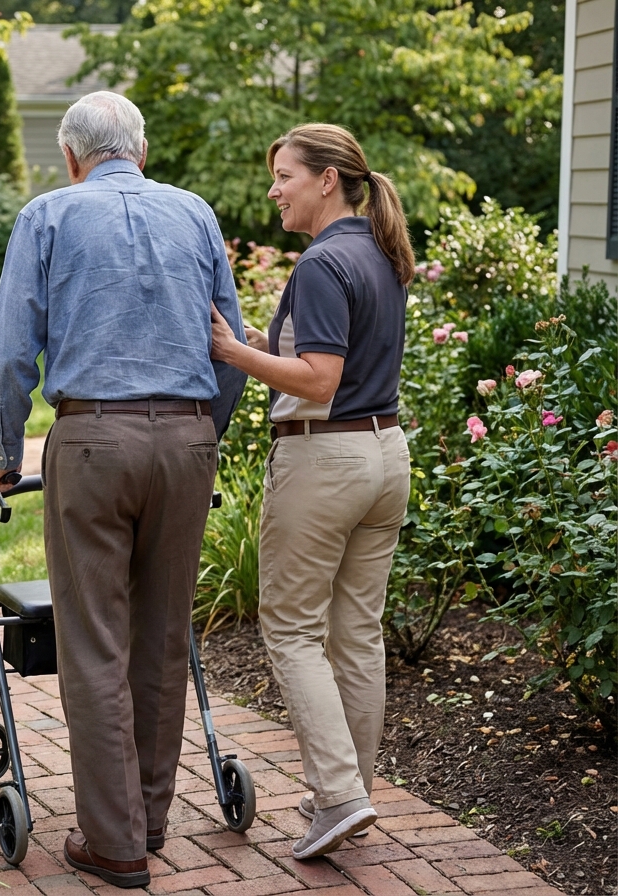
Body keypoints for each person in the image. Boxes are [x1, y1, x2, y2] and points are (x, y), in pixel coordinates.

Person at [0, 91, 246, 888]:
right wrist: (202, 438)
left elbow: (6, 357)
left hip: (93, 439)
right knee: (163, 637)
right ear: (143, 149)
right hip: (189, 438)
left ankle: (116, 842)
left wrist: (3, 450)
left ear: (71, 156)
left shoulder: (49, 214)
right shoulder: (195, 214)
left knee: (94, 642)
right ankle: (152, 819)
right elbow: (227, 342)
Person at [209, 122, 413, 860]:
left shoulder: (324, 263)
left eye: (285, 176)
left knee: (292, 631)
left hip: (324, 462)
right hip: (386, 454)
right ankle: (348, 789)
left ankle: (339, 797)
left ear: (327, 179)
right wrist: (263, 348)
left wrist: (232, 352)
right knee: (356, 631)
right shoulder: (378, 250)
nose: (274, 190)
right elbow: (332, 361)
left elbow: (320, 381)